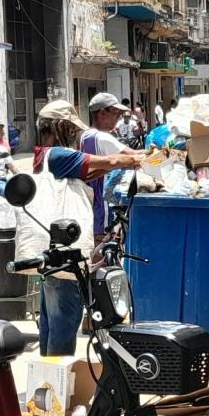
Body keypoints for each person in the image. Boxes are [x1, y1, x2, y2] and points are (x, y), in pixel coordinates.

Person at [29, 100, 140, 356]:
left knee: (50, 321)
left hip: (50, 250)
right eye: (71, 130)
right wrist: (138, 158)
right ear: (60, 127)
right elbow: (110, 160)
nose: (76, 136)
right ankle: (56, 387)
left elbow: (91, 172)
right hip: (64, 254)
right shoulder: (58, 155)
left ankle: (46, 382)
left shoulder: (44, 157)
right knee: (64, 322)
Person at [83, 93, 138, 239]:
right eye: (115, 113)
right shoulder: (102, 137)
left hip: (89, 200)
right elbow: (133, 156)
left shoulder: (85, 135)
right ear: (102, 113)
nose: (118, 117)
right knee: (103, 245)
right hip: (101, 203)